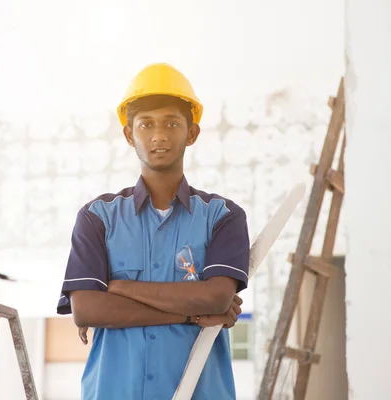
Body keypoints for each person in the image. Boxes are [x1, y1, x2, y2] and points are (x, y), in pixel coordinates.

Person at [56, 63, 250, 400]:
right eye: (146, 125)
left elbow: (216, 297)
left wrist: (119, 287)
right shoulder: (97, 217)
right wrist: (192, 312)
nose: (158, 135)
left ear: (191, 133)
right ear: (130, 135)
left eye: (171, 123)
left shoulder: (223, 216)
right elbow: (86, 310)